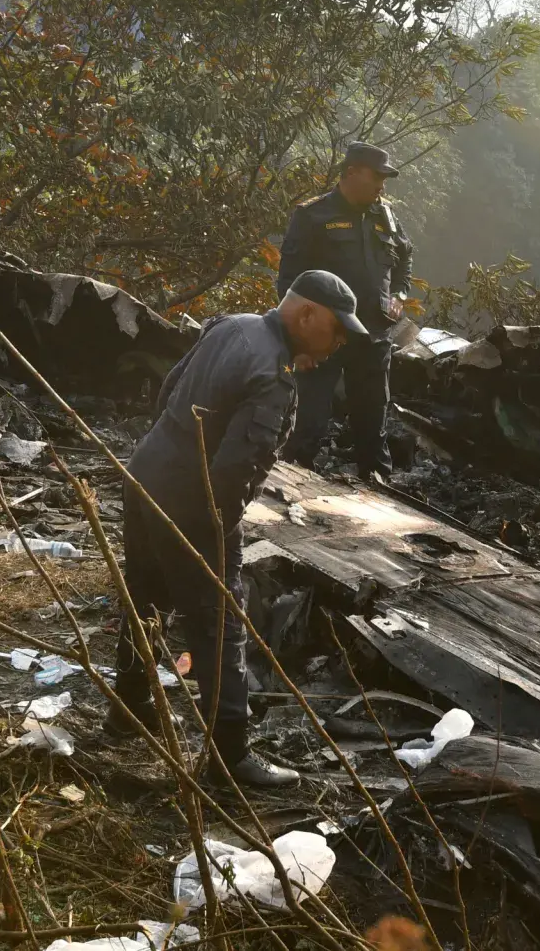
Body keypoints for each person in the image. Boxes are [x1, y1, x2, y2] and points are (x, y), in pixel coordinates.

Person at [108, 270, 367, 788]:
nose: (338, 344)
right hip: (192, 502)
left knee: (146, 597)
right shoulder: (271, 375)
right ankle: (231, 753)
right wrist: (221, 537)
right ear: (307, 314)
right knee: (221, 620)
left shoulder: (232, 325)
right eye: (337, 331)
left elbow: (168, 392)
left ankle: (129, 710)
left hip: (146, 471)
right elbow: (230, 476)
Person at [276, 142, 412, 479]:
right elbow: (289, 282)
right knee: (309, 420)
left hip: (374, 334)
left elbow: (405, 257)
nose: (382, 185)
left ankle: (378, 489)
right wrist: (298, 343)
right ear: (351, 172)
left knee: (372, 419)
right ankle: (287, 486)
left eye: (386, 178)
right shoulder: (313, 215)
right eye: (377, 176)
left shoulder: (386, 216)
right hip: (325, 337)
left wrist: (400, 294)